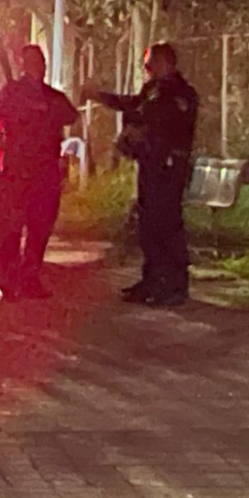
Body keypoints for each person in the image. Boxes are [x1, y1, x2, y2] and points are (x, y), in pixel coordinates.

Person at [83, 42, 198, 306]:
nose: (147, 70)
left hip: (169, 165)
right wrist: (102, 98)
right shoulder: (152, 90)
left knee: (166, 223)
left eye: (150, 64)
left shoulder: (180, 93)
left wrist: (142, 128)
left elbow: (161, 119)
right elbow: (134, 106)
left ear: (164, 63)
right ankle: (152, 279)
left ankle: (173, 285)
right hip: (151, 163)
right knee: (148, 223)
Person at [0, 45, 79, 299]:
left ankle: (29, 279)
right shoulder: (12, 92)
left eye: (41, 62)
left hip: (45, 170)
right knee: (12, 227)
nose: (39, 67)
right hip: (19, 170)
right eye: (33, 62)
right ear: (23, 65)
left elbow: (70, 115)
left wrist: (42, 109)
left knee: (39, 227)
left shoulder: (51, 96)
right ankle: (10, 280)